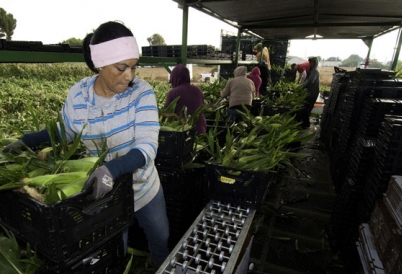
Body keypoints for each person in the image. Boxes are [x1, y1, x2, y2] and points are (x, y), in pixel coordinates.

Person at [3, 21, 169, 267]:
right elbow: (67, 131)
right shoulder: (79, 95)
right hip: (105, 195)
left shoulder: (141, 93)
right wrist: (24, 142)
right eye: (121, 67)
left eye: (134, 67)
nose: (130, 76)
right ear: (99, 64)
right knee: (115, 246)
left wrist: (112, 169)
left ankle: (160, 265)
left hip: (143, 186)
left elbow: (147, 146)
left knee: (160, 236)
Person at [165, 64, 206, 135]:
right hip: (200, 128)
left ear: (174, 79)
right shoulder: (198, 90)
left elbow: (166, 113)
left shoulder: (173, 93)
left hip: (183, 132)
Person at [300, 57, 320, 128]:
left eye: (311, 62)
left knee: (306, 108)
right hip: (310, 93)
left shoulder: (315, 71)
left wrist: (300, 87)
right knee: (306, 108)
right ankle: (304, 124)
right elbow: (307, 81)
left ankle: (305, 125)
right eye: (309, 62)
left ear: (314, 63)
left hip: (312, 94)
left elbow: (310, 82)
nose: (310, 64)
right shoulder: (312, 71)